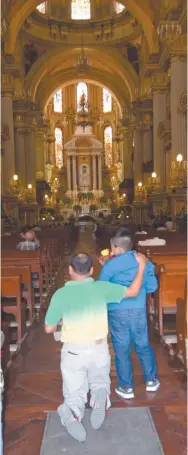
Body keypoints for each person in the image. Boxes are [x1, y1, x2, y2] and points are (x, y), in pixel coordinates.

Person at [44, 251, 147, 442]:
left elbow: (49, 328)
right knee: (100, 381)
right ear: (92, 270)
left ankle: (72, 411)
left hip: (74, 350)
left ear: (70, 270)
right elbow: (133, 291)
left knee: (74, 393)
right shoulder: (101, 288)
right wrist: (141, 266)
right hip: (99, 348)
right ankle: (100, 395)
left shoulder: (61, 294)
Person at [98, 229, 160, 400]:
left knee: (121, 349)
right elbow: (153, 287)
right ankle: (151, 380)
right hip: (139, 309)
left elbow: (101, 288)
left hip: (117, 311)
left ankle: (126, 387)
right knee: (143, 344)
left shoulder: (111, 264)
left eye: (112, 248)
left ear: (117, 248)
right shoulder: (145, 262)